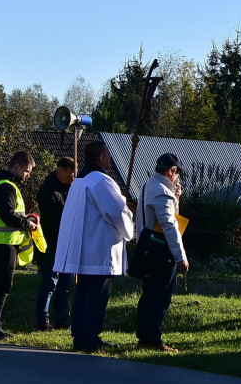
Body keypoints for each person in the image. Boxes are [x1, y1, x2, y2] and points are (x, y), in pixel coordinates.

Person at [53, 142, 134, 352]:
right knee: (97, 296)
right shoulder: (101, 181)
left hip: (84, 248)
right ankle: (91, 336)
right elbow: (117, 212)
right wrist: (130, 227)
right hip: (100, 249)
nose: (110, 157)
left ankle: (79, 334)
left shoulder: (79, 182)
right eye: (108, 154)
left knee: (83, 292)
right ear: (100, 158)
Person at [0, 150, 39, 340]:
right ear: (16, 167)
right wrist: (27, 223)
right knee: (2, 286)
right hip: (2, 243)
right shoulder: (6, 187)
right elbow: (6, 214)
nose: (28, 176)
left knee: (1, 285)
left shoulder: (5, 185)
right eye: (27, 171)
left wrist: (24, 219)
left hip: (3, 242)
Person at [135, 153, 190, 352]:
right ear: (171, 171)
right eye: (176, 174)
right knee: (160, 298)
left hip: (147, 248)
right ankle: (153, 339)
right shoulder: (162, 192)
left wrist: (175, 198)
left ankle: (144, 336)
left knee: (149, 295)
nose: (177, 179)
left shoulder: (148, 186)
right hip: (161, 251)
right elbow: (169, 225)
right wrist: (180, 256)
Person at [34, 157, 76, 331]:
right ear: (60, 172)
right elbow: (55, 216)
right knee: (50, 283)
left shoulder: (71, 190)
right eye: (69, 176)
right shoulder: (48, 191)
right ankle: (43, 320)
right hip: (52, 242)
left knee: (65, 285)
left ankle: (62, 319)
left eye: (74, 176)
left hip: (67, 243)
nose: (72, 179)